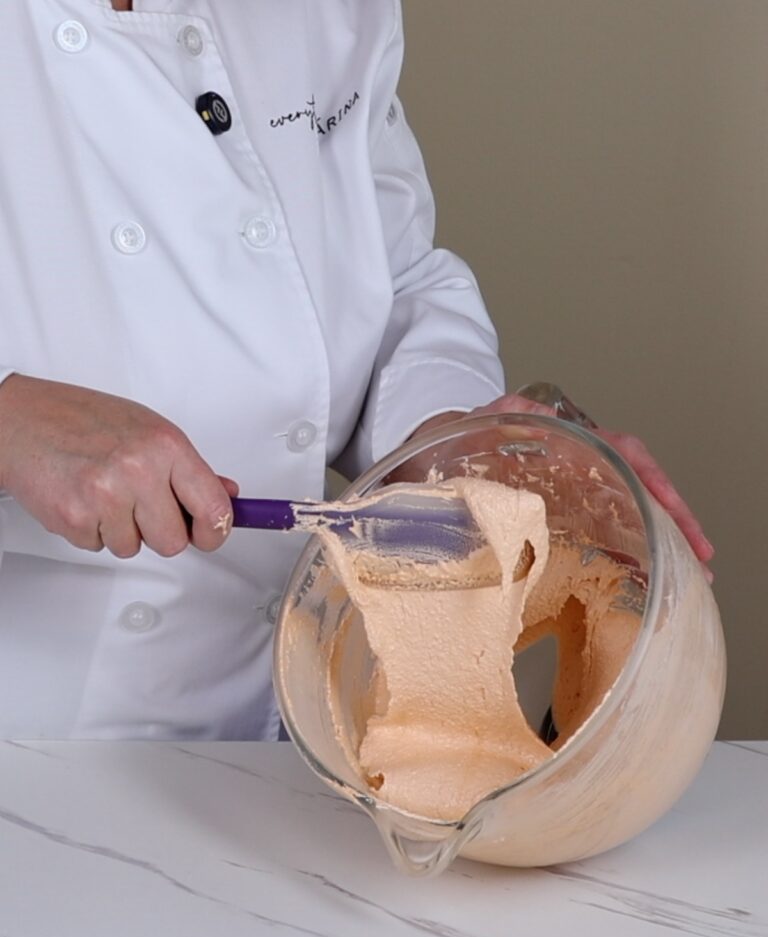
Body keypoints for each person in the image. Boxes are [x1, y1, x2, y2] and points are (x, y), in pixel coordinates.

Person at [0, 0, 712, 739]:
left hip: (270, 727)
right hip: (29, 751)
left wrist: (456, 443)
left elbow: (395, 277)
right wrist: (10, 421)